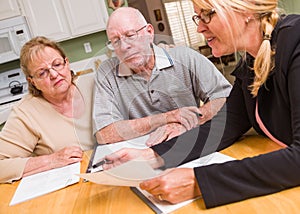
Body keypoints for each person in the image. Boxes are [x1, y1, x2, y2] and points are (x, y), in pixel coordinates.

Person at [102, 0, 300, 209]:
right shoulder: (250, 61)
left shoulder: (295, 42)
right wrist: (152, 156)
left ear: (246, 10)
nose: (199, 27)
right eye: (198, 17)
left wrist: (199, 182)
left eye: (208, 14)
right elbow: (224, 126)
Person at [93, 7, 232, 145]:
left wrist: (187, 124)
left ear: (149, 32)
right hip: (143, 151)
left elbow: (226, 98)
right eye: (115, 41)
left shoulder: (185, 57)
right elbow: (104, 133)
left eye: (130, 35)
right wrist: (168, 117)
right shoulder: (107, 73)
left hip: (189, 142)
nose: (124, 47)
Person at [0, 36, 95, 183]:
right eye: (42, 73)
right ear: (32, 82)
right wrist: (51, 160)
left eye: (57, 64)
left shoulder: (94, 85)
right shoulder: (25, 113)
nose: (54, 75)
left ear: (67, 63)